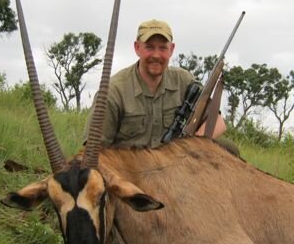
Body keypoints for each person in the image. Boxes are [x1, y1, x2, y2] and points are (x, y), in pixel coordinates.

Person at [89, 18, 232, 150]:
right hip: (131, 171)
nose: (156, 55)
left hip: (175, 163)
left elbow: (217, 122)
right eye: (149, 47)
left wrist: (190, 148)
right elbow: (93, 149)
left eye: (163, 48)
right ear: (137, 47)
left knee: (228, 148)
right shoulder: (113, 90)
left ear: (172, 49)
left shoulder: (184, 80)